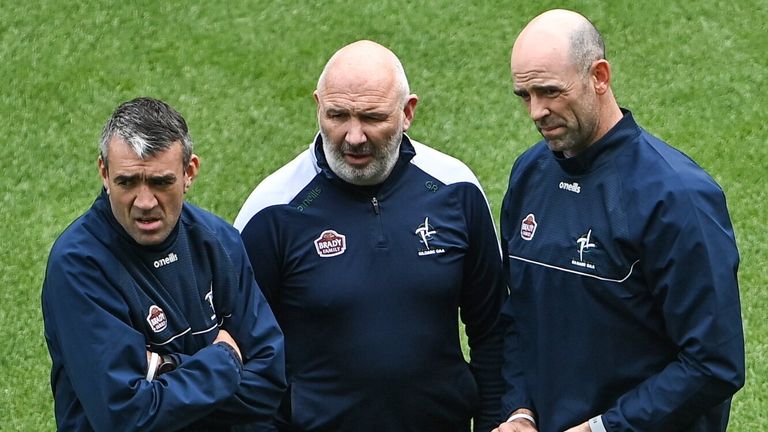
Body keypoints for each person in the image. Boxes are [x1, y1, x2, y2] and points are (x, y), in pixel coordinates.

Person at [234, 40, 507, 432]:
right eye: (337, 115)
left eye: (372, 117)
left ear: (408, 112)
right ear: (317, 106)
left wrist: (493, 423)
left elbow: (493, 328)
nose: (354, 136)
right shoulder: (273, 210)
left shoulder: (455, 189)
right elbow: (242, 357)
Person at [493, 9, 745, 432]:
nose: (537, 111)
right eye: (525, 95)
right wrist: (519, 410)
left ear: (600, 77)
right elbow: (517, 315)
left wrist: (605, 428)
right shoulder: (529, 174)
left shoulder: (677, 196)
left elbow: (712, 362)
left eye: (550, 91)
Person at [42, 97, 286, 431]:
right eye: (127, 182)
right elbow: (125, 416)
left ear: (189, 172)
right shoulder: (80, 265)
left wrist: (163, 370)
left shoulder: (218, 241)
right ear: (104, 172)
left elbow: (268, 386)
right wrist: (223, 361)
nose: (144, 202)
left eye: (160, 182)